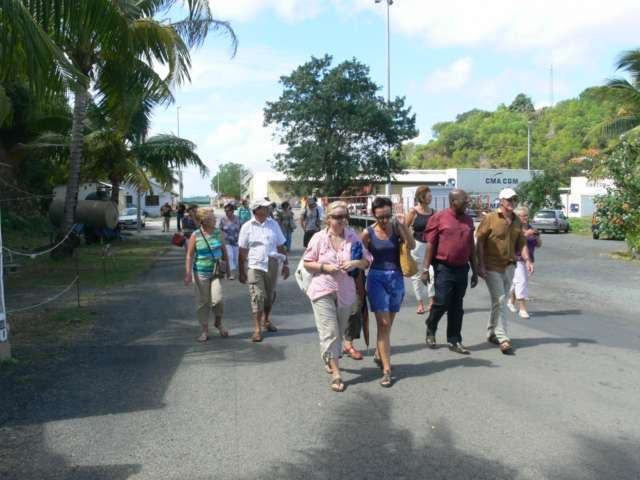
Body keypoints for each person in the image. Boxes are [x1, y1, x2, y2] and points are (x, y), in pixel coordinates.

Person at [303, 201, 372, 392]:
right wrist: (325, 267)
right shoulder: (318, 238)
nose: (341, 220)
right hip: (322, 289)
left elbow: (367, 261)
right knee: (331, 332)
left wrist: (355, 263)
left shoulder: (353, 238)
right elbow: (307, 262)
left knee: (339, 332)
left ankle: (328, 356)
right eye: (336, 217)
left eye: (344, 216)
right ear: (328, 219)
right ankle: (336, 374)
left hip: (346, 291)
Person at [361, 197, 415, 387]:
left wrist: (402, 226)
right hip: (376, 278)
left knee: (388, 323)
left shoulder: (397, 228)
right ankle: (386, 370)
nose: (385, 220)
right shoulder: (367, 233)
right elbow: (360, 257)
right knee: (383, 324)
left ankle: (379, 352)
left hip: (397, 279)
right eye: (381, 217)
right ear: (373, 215)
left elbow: (413, 245)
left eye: (387, 216)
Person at [476, 188, 534, 354]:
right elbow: (479, 241)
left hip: (509, 266)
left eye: (514, 199)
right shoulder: (490, 218)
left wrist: (528, 260)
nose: (512, 202)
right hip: (491, 265)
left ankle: (491, 332)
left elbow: (521, 243)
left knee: (498, 301)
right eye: (509, 200)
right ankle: (503, 337)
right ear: (501, 201)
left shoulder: (516, 221)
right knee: (501, 299)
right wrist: (479, 264)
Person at [422, 189, 478, 354]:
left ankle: (455, 340)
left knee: (457, 306)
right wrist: (425, 269)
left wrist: (475, 270)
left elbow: (471, 247)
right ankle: (431, 325)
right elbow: (430, 245)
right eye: (464, 199)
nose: (468, 202)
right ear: (454, 202)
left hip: (462, 268)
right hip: (443, 267)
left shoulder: (468, 220)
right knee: (442, 301)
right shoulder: (439, 218)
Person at [238, 199, 290, 342]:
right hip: (255, 265)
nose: (268, 210)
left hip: (272, 263)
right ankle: (257, 328)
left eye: (268, 207)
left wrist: (286, 264)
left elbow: (280, 246)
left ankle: (266, 320)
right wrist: (241, 271)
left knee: (270, 296)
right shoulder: (247, 227)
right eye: (265, 207)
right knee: (258, 296)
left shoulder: (273, 224)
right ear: (256, 210)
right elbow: (242, 251)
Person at [184, 209, 230, 342]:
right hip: (200, 272)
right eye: (212, 217)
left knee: (218, 299)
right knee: (203, 302)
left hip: (216, 272)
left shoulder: (219, 233)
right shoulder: (196, 235)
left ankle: (218, 322)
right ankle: (204, 330)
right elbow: (189, 255)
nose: (215, 219)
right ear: (203, 220)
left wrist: (228, 270)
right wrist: (187, 274)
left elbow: (224, 252)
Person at [406, 186, 436, 314]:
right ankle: (420, 303)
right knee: (417, 276)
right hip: (417, 246)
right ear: (421, 197)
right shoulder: (413, 211)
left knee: (432, 274)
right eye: (428, 196)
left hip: (431, 246)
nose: (430, 198)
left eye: (430, 196)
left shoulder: (434, 212)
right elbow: (405, 228)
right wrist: (407, 244)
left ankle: (431, 301)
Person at [508, 206, 541, 319]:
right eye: (522, 215)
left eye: (526, 215)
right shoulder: (514, 228)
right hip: (517, 258)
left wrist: (537, 237)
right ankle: (522, 308)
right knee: (522, 282)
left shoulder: (531, 227)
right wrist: (526, 234)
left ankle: (511, 301)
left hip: (529, 259)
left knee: (517, 282)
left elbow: (538, 244)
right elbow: (514, 243)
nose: (524, 217)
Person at [220, 202, 241, 280]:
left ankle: (232, 271)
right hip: (226, 241)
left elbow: (241, 230)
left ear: (232, 211)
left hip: (236, 241)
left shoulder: (238, 219)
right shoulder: (223, 220)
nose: (227, 212)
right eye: (225, 211)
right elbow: (220, 230)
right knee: (229, 256)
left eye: (228, 210)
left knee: (235, 258)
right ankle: (231, 273)